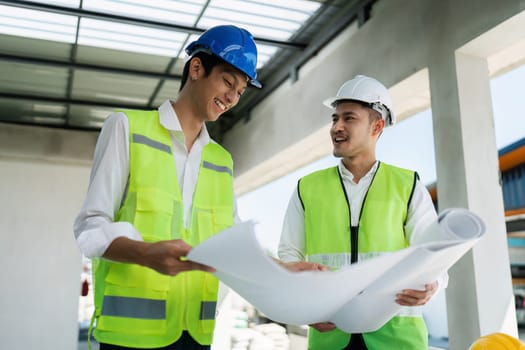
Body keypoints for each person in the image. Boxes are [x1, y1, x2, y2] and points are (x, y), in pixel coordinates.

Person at [73, 25, 261, 350]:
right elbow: (90, 229)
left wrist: (287, 273)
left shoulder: (222, 160)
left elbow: (232, 245)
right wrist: (146, 255)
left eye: (241, 91)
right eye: (228, 82)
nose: (233, 98)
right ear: (197, 68)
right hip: (130, 339)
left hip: (197, 336)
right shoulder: (127, 128)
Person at [277, 74, 447, 349]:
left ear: (377, 126)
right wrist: (303, 304)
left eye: (349, 118)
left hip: (397, 340)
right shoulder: (307, 188)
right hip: (329, 335)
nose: (337, 127)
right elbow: (289, 255)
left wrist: (433, 285)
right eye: (335, 119)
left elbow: (434, 253)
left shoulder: (407, 186)